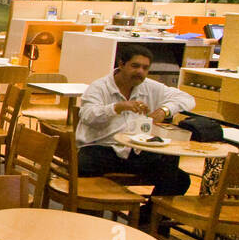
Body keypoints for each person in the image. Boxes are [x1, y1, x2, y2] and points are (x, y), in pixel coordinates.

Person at [76, 43, 196, 197]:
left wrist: (164, 110)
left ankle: (145, 220)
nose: (140, 72)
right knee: (83, 168)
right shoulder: (99, 87)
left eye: (145, 68)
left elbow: (187, 99)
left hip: (136, 151)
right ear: (121, 64)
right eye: (135, 66)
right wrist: (117, 107)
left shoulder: (150, 87)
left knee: (178, 178)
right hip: (101, 148)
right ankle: (88, 215)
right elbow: (87, 116)